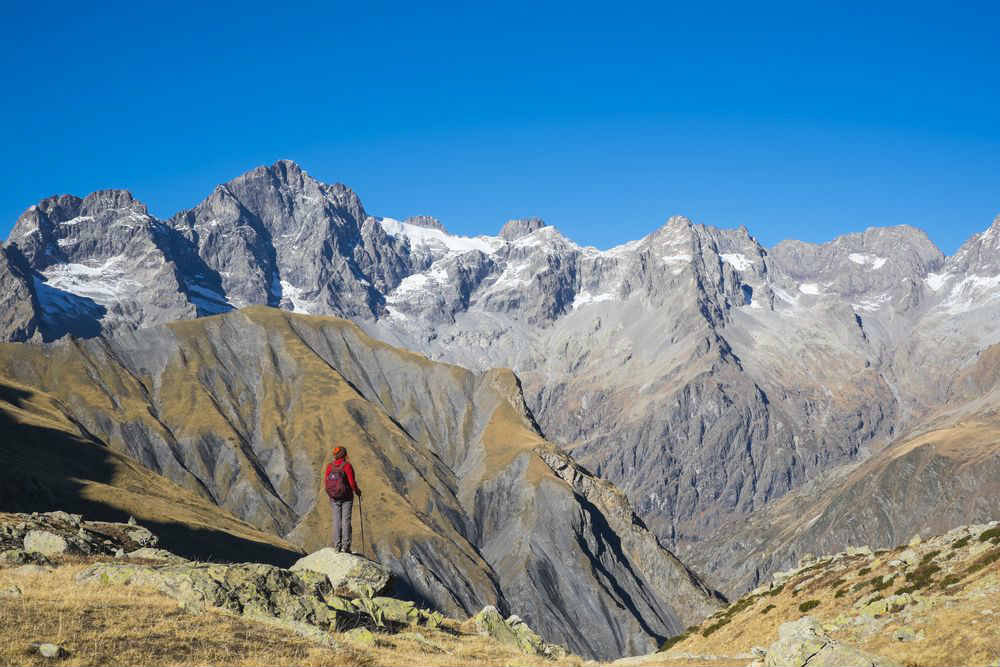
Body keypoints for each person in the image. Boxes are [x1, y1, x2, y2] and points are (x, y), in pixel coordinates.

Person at [324, 446, 361, 553]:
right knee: (346, 520)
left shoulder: (330, 466)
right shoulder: (347, 466)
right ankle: (346, 546)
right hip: (347, 497)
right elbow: (352, 483)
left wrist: (331, 494)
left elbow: (326, 482)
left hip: (334, 497)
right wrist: (357, 491)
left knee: (336, 520)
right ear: (345, 454)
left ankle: (337, 546)